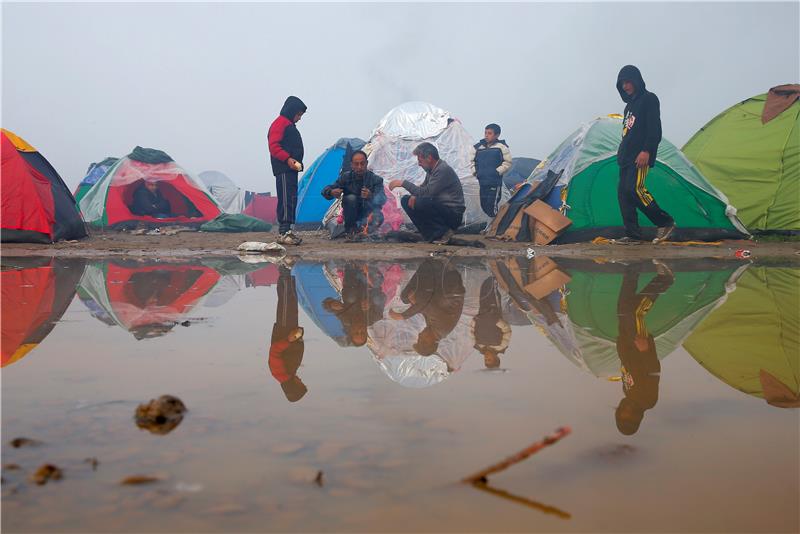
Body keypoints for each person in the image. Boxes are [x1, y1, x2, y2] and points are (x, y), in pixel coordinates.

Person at [615, 65, 676, 244]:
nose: (625, 86)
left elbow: (654, 128)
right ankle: (633, 235)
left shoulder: (649, 99)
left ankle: (666, 223)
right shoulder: (628, 108)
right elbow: (628, 133)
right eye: (622, 83)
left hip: (640, 155)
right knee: (623, 194)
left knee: (635, 189)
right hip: (626, 158)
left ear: (636, 80)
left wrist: (646, 150)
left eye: (628, 81)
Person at [615, 260, 674, 435]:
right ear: (637, 419)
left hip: (626, 341)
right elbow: (654, 373)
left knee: (623, 308)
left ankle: (633, 267)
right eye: (629, 417)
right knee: (634, 312)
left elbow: (627, 367)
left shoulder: (627, 394)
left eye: (622, 415)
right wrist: (645, 350)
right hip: (639, 345)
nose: (626, 412)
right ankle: (665, 279)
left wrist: (619, 344)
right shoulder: (647, 401)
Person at [388, 142, 466, 244]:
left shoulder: (442, 170)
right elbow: (423, 188)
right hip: (443, 210)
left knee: (422, 202)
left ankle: (443, 232)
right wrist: (413, 195)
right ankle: (429, 233)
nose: (419, 164)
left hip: (453, 214)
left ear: (429, 158)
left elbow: (427, 193)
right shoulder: (431, 171)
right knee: (406, 200)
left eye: (420, 161)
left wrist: (402, 183)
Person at [389, 258, 465, 357]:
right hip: (449, 282)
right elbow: (427, 306)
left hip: (442, 289)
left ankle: (429, 265)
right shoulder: (442, 329)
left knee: (405, 298)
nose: (419, 334)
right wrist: (403, 316)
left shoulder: (434, 330)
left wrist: (414, 303)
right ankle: (436, 264)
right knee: (419, 297)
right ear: (429, 341)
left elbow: (425, 311)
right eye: (420, 338)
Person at [268, 96, 308, 246]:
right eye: (298, 115)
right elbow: (274, 147)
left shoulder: (288, 124)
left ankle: (288, 231)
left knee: (291, 198)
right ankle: (283, 232)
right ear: (291, 111)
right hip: (284, 168)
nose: (299, 118)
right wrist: (288, 159)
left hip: (291, 168)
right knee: (285, 198)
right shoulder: (280, 124)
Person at [321, 150, 386, 240]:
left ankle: (367, 232)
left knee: (378, 216)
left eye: (362, 164)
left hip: (368, 215)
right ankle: (351, 231)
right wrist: (331, 192)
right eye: (356, 164)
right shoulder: (346, 177)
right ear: (351, 165)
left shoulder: (376, 179)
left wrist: (371, 195)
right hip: (351, 216)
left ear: (367, 163)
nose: (359, 167)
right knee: (351, 198)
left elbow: (383, 199)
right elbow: (325, 190)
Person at [268, 264, 308, 403]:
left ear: (294, 386)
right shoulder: (289, 373)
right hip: (291, 330)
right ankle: (288, 271)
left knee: (286, 300)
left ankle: (284, 272)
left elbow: (274, 351)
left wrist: (289, 340)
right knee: (291, 301)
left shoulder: (279, 373)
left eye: (300, 383)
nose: (300, 379)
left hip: (284, 330)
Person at [471, 123, 512, 218]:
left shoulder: (501, 147)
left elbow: (508, 162)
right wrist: (475, 172)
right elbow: (472, 161)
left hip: (494, 182)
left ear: (497, 135)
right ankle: (492, 225)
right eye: (485, 133)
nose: (486, 135)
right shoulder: (478, 147)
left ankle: (495, 226)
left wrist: (497, 172)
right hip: (482, 182)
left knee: (492, 204)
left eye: (489, 133)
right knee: (484, 204)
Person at [471, 276, 512, 369]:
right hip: (493, 310)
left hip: (480, 311)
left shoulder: (478, 346)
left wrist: (475, 321)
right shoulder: (501, 345)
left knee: (482, 290)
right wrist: (495, 321)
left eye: (485, 360)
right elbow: (507, 331)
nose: (486, 358)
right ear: (496, 358)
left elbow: (471, 332)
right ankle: (493, 272)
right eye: (489, 359)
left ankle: (486, 271)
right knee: (492, 288)